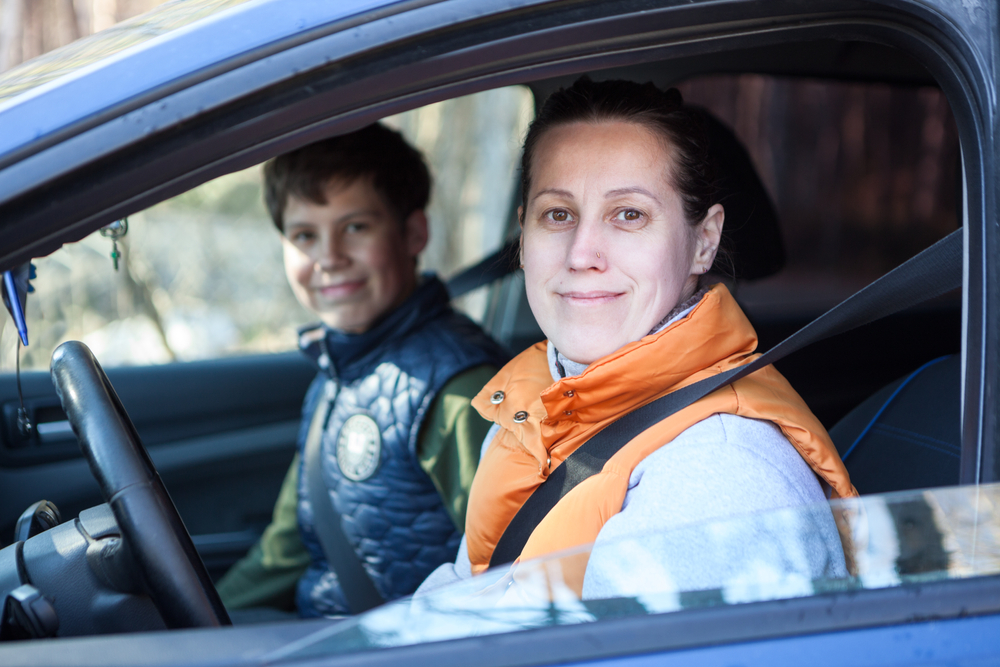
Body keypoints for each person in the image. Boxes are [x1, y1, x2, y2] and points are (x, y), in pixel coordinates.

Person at [418, 78, 858, 599]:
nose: (582, 254)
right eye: (557, 214)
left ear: (703, 242)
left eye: (629, 215)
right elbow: (472, 595)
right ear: (522, 234)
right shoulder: (529, 401)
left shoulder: (719, 478)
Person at [216, 124, 508, 617]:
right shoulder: (338, 371)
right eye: (305, 235)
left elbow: (503, 571)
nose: (328, 258)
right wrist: (196, 626)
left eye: (355, 227)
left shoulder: (460, 388)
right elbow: (285, 549)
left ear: (414, 233)